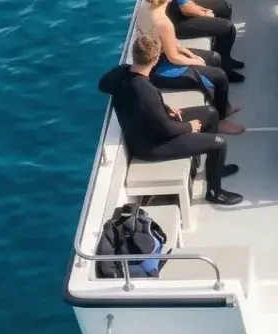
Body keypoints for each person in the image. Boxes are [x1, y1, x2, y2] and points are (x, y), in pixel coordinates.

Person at [98, 32, 242, 206]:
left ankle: (213, 169)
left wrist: (164, 108)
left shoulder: (122, 73)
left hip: (151, 126)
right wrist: (190, 126)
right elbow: (167, 129)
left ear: (135, 55)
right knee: (219, 143)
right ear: (155, 59)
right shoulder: (145, 90)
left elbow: (103, 84)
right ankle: (214, 192)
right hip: (152, 145)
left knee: (211, 113)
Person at [142, 0, 243, 134]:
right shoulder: (164, 22)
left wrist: (190, 54)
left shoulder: (144, 11)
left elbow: (171, 44)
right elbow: (173, 57)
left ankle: (224, 107)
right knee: (219, 76)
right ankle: (220, 121)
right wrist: (196, 61)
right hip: (160, 70)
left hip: (161, 57)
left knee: (214, 58)